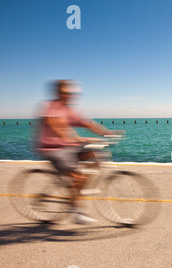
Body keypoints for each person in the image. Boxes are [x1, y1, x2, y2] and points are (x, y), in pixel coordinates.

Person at [37, 80, 115, 224]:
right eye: (67, 92)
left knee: (96, 156)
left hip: (68, 146)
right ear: (59, 93)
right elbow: (57, 128)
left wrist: (106, 133)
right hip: (52, 149)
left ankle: (78, 187)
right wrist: (80, 138)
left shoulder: (68, 109)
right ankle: (76, 212)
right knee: (77, 177)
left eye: (72, 93)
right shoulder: (49, 107)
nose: (71, 95)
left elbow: (85, 123)